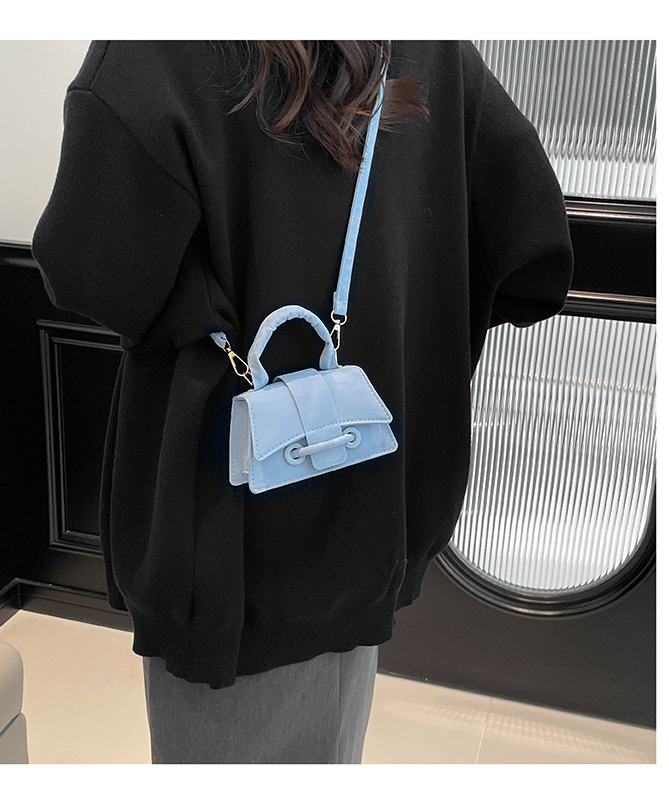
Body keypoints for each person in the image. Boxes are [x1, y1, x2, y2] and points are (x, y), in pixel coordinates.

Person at [32, 40, 574, 764]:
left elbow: (88, 266)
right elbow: (534, 248)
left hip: (229, 546)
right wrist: (408, 329)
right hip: (374, 519)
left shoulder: (157, 47)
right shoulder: (426, 44)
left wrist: (203, 314)